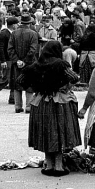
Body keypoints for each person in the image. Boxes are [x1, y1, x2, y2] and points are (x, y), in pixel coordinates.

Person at [18, 41, 81, 176]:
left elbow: (21, 81)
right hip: (59, 102)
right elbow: (74, 77)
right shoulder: (61, 64)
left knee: (46, 132)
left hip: (40, 102)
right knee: (58, 131)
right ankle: (58, 166)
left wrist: (36, 87)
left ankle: (48, 165)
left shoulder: (35, 65)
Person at [7, 14, 39, 113]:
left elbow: (10, 49)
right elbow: (33, 50)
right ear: (29, 23)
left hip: (16, 64)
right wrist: (25, 61)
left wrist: (17, 60)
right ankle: (28, 106)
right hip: (29, 63)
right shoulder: (33, 34)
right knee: (29, 84)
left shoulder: (14, 33)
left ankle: (17, 106)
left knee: (17, 84)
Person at [0, 17, 19, 103]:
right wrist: (3, 61)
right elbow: (0, 48)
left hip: (12, 59)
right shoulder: (4, 34)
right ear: (13, 25)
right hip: (7, 59)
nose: (18, 25)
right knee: (6, 79)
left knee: (13, 78)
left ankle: (12, 98)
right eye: (17, 24)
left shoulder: (13, 33)